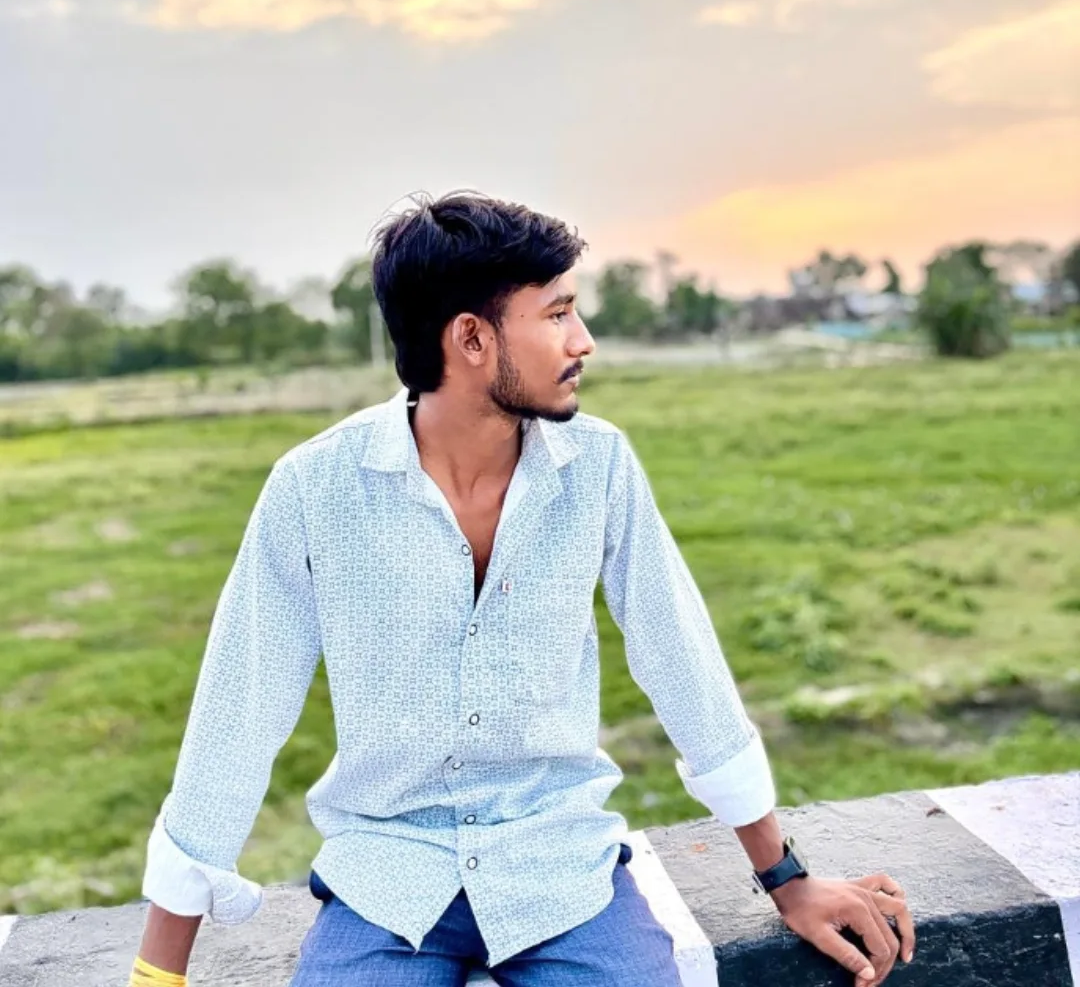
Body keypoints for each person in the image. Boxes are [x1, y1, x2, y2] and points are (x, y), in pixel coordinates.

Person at [131, 192, 915, 987]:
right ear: (471, 338)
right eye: (557, 314)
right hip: (387, 881)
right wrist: (158, 975)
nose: (584, 340)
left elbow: (684, 665)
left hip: (562, 871)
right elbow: (240, 711)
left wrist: (787, 879)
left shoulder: (599, 466)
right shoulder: (314, 488)